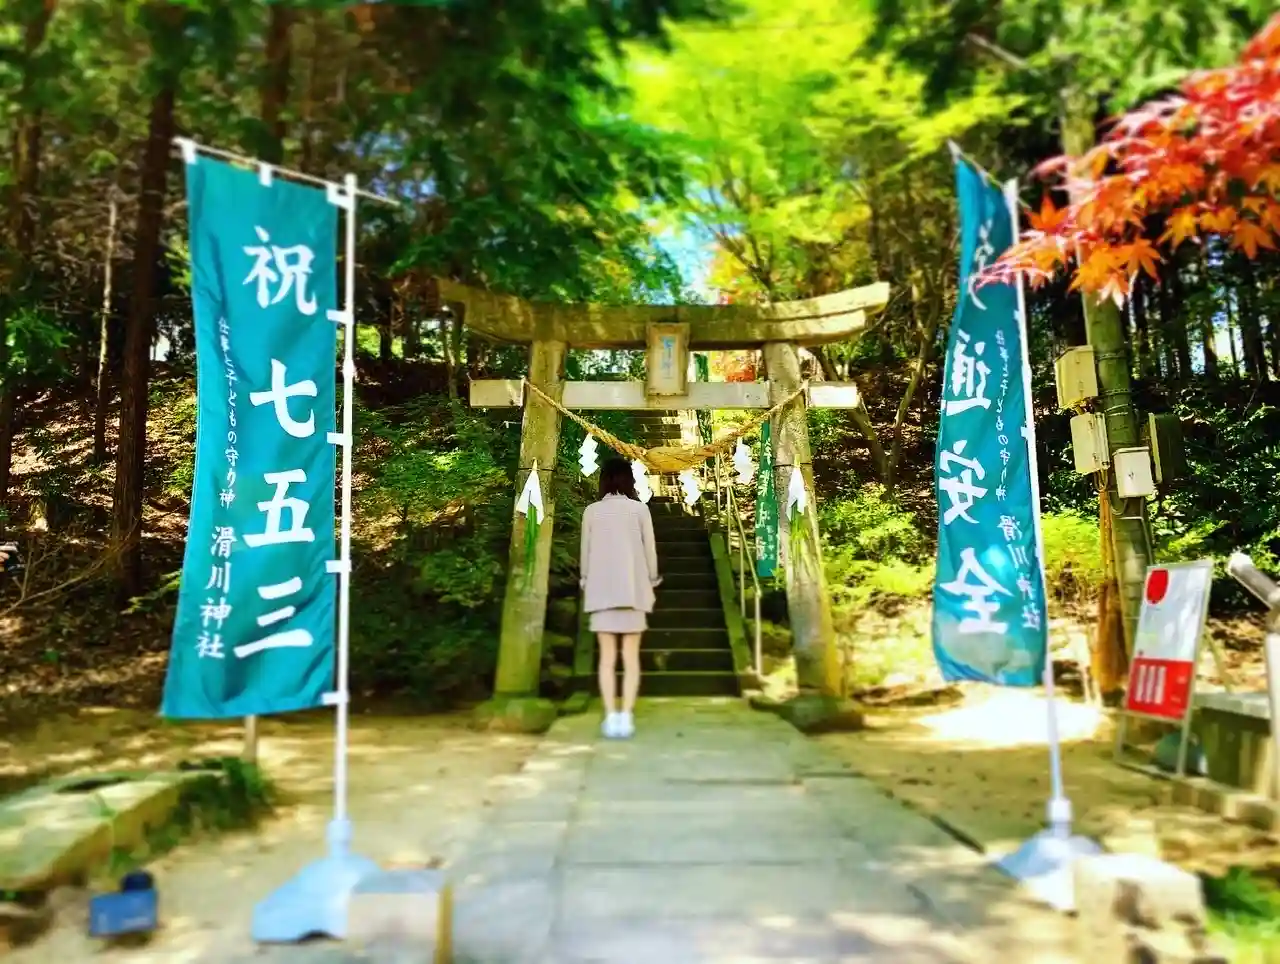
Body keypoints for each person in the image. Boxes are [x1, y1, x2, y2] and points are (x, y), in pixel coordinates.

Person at [580, 456, 661, 739]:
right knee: (630, 659)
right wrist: (653, 579)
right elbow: (650, 550)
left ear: (603, 480)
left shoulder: (591, 511)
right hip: (633, 591)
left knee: (606, 659)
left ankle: (610, 715)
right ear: (629, 480)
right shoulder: (640, 510)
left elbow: (586, 552)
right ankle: (626, 716)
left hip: (602, 592)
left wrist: (585, 580)